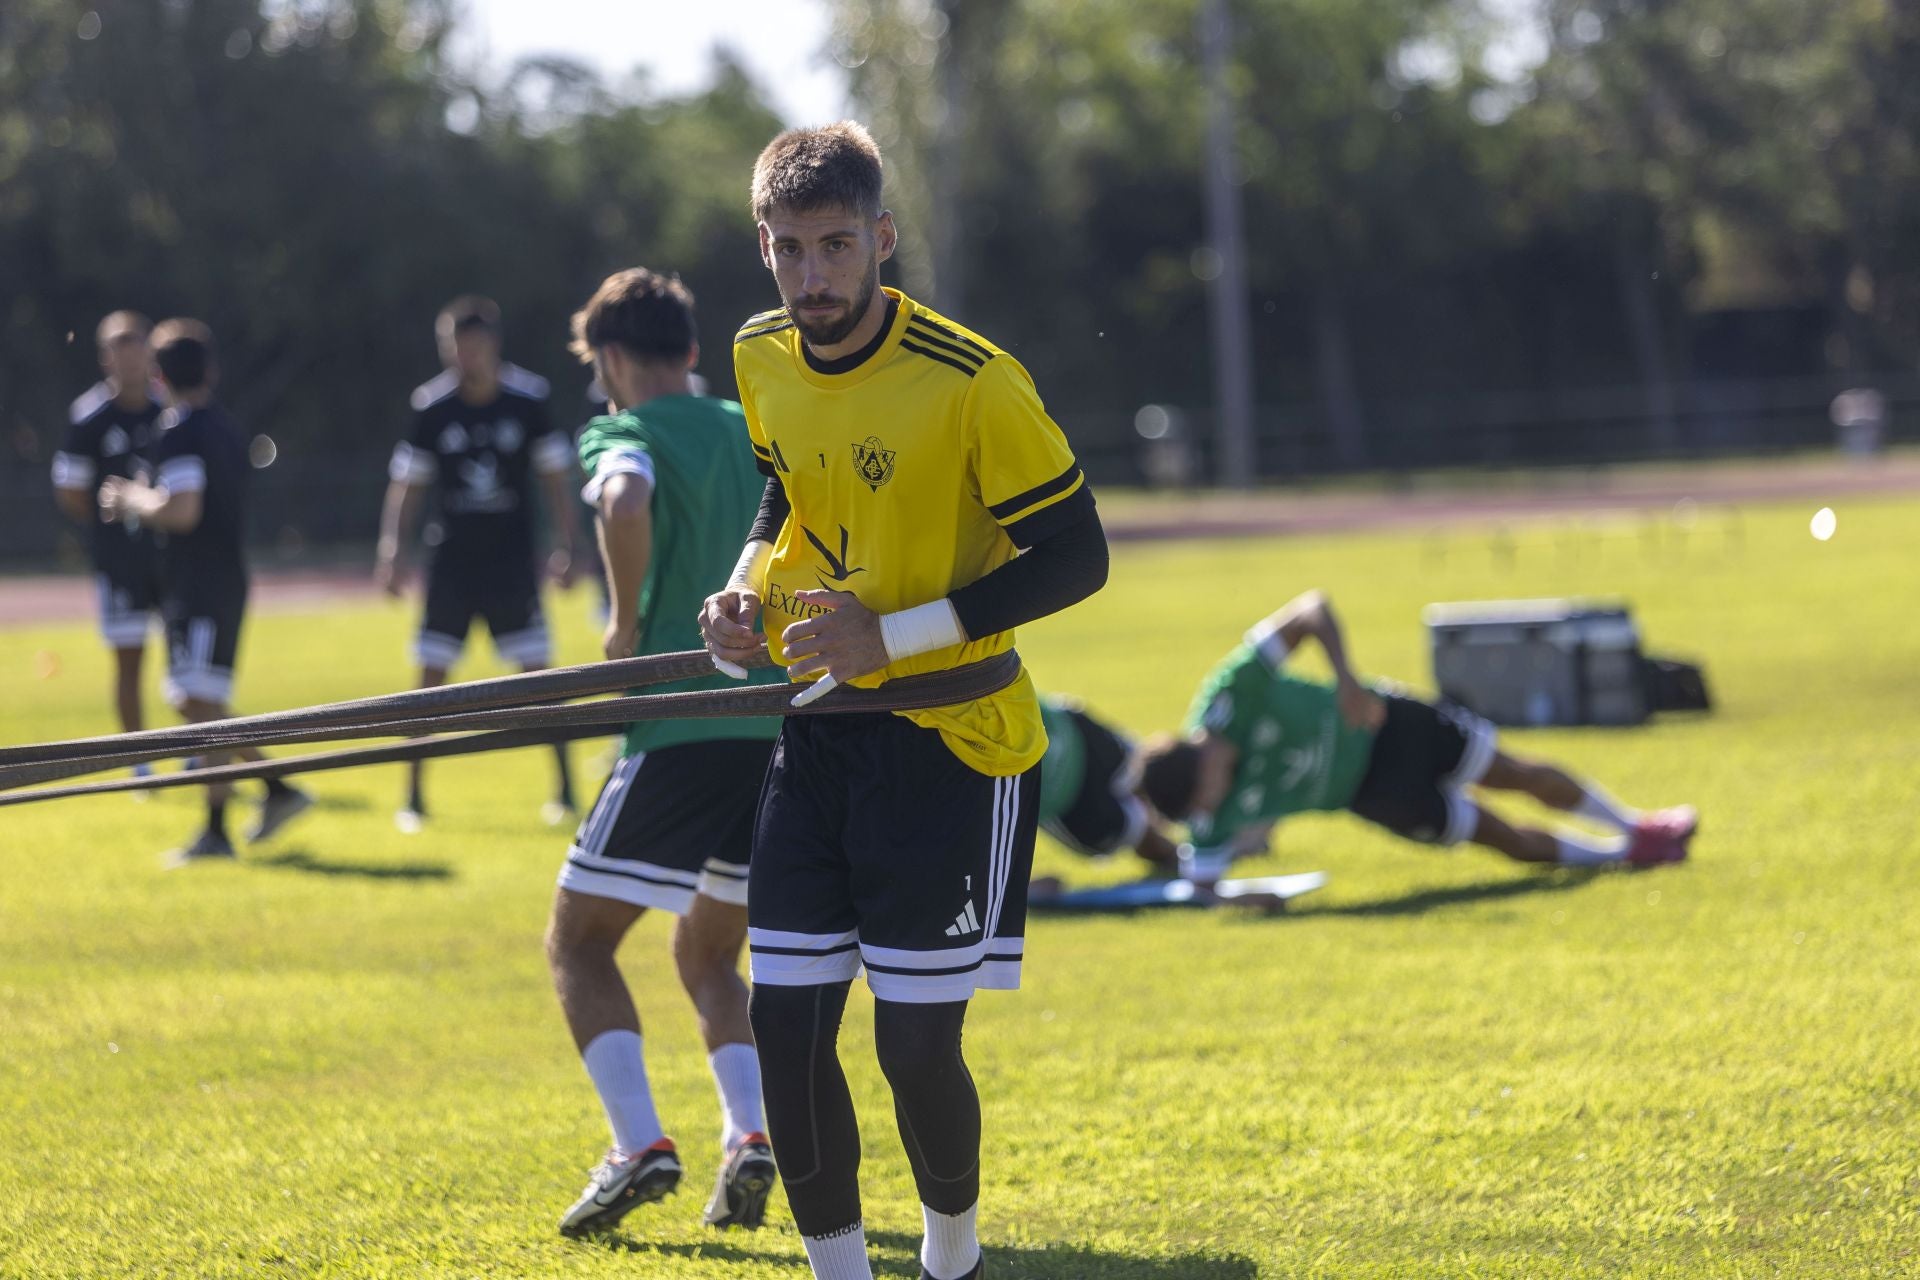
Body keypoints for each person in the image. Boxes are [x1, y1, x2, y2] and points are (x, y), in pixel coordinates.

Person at [699, 122, 1108, 1280]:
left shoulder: (972, 380)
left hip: (953, 742)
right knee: (784, 1026)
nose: (814, 276)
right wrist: (741, 590)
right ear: (763, 247)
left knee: (915, 1046)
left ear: (881, 237)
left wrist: (893, 635)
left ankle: (953, 1264)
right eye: (790, 250)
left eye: (836, 246)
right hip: (815, 738)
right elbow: (783, 493)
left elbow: (1077, 556)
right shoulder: (760, 354)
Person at [546, 268, 785, 1237]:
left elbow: (625, 496)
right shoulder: (748, 423)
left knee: (578, 939)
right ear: (690, 349)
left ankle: (638, 1142)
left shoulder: (619, 428)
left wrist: (621, 622)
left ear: (607, 359)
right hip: (774, 731)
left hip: (681, 726)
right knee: (706, 948)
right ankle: (752, 1132)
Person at [1132, 589, 1699, 880]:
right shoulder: (1207, 816)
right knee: (1503, 839)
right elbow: (1200, 880)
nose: (1220, 802)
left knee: (1513, 772)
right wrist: (1243, 892)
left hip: (1389, 723)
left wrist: (1347, 679)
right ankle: (1623, 855)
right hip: (1373, 794)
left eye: (1211, 789)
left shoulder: (1233, 691)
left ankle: (1636, 825)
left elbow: (1310, 609)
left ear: (1201, 757)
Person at [97, 319, 312, 863]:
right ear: (211, 370)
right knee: (195, 698)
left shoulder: (181, 430)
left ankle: (224, 826)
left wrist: (132, 501)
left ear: (158, 373)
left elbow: (183, 510)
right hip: (216, 579)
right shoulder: (222, 426)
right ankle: (276, 789)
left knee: (197, 700)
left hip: (202, 583)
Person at [374, 297, 582, 832]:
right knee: (429, 682)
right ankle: (413, 798)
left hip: (511, 565)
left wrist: (567, 544)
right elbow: (407, 485)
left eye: (472, 346)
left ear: (492, 345)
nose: (464, 357)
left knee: (539, 682)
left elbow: (555, 478)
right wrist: (392, 550)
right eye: (453, 348)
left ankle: (565, 790)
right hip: (452, 566)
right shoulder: (431, 407)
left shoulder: (527, 400)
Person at [51, 312, 165, 766]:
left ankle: (198, 751)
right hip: (119, 560)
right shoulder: (89, 417)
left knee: (182, 662)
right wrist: (111, 522)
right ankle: (139, 759)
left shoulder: (168, 410)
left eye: (137, 345)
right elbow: (70, 489)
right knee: (129, 659)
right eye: (119, 347)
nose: (129, 356)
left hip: (170, 554)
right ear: (105, 358)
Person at [1036, 695, 1176, 867]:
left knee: (1149, 773)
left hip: (1066, 729)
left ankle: (1191, 845)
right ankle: (1180, 855)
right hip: (1058, 793)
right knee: (1123, 830)